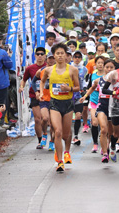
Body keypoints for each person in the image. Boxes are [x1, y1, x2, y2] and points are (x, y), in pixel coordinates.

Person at [39, 44, 80, 172]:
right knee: (57, 132)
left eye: (62, 53)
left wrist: (69, 89)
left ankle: (67, 151)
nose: (60, 55)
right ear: (54, 55)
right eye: (58, 53)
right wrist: (41, 92)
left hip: (68, 103)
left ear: (66, 55)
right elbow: (42, 81)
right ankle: (60, 161)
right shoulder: (48, 70)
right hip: (54, 103)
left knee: (66, 134)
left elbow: (78, 88)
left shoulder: (73, 70)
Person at [21, 47, 49, 149]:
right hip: (35, 95)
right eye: (38, 54)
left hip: (47, 96)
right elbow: (24, 80)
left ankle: (48, 136)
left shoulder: (49, 68)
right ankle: (40, 140)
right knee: (38, 119)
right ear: (35, 56)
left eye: (42, 54)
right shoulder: (30, 68)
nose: (40, 56)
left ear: (45, 56)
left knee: (46, 119)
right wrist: (21, 87)